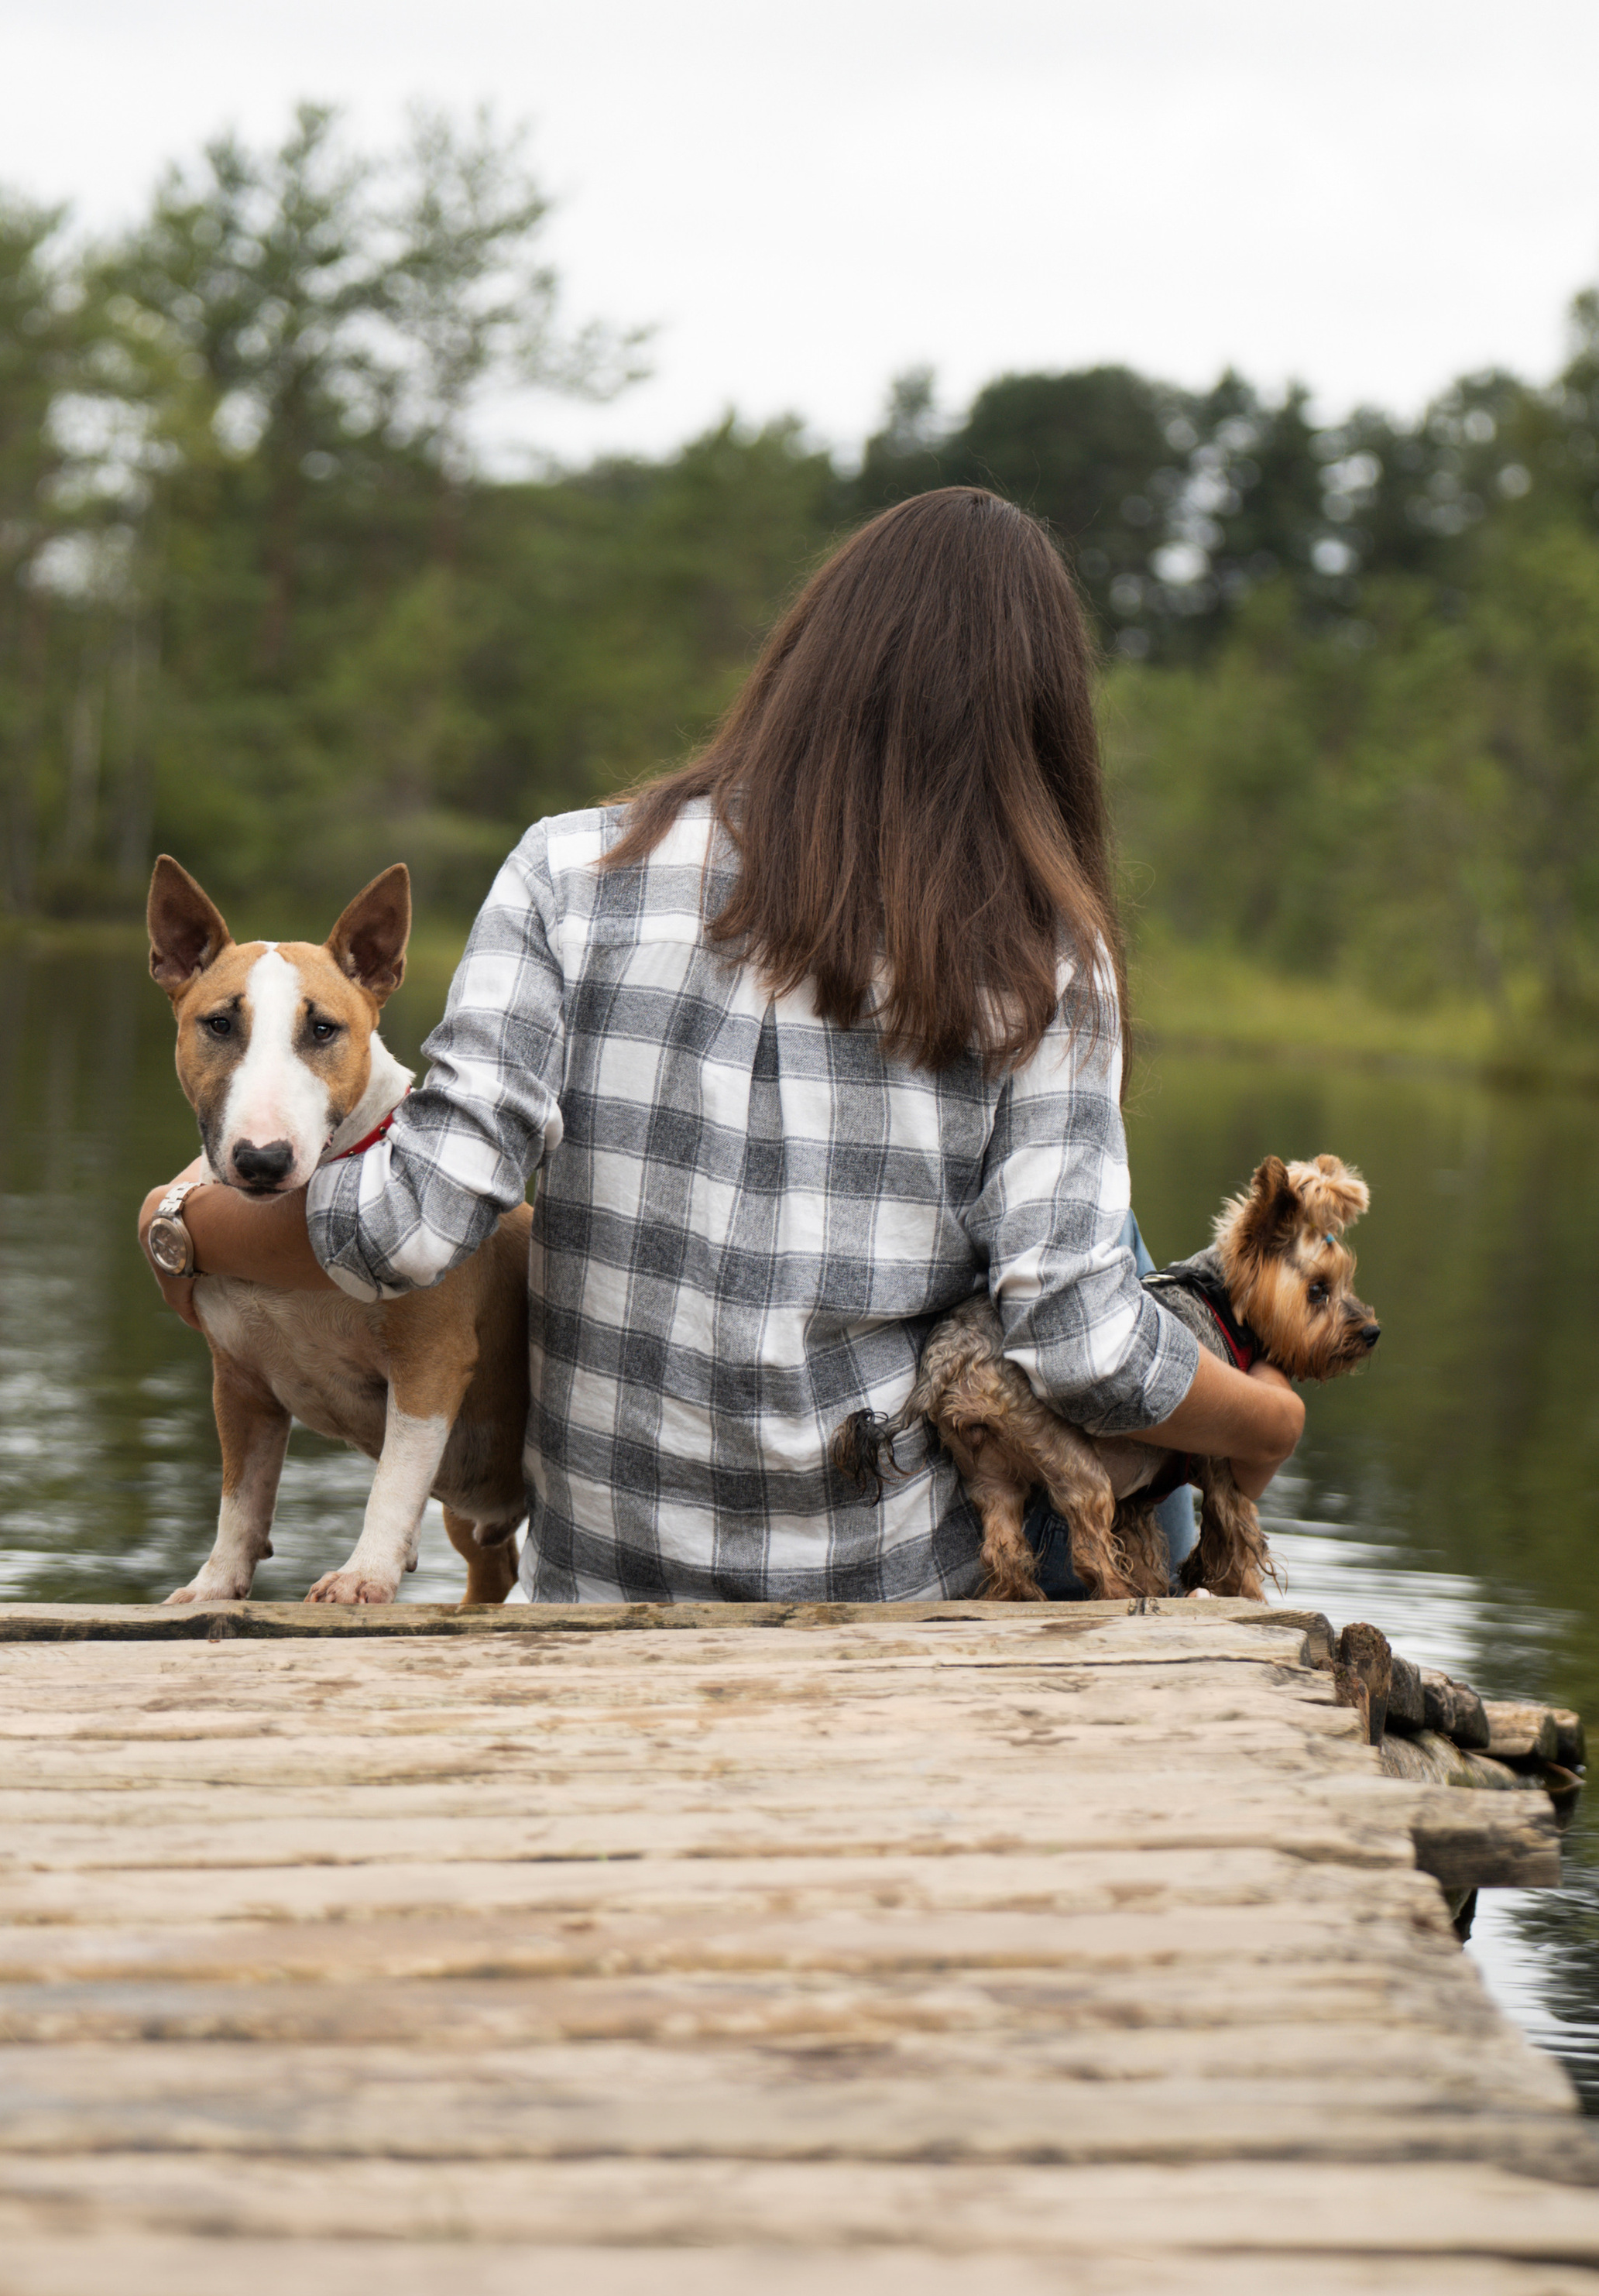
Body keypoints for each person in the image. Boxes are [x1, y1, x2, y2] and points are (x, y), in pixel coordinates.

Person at [140, 486, 1302, 1601]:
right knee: (1115, 1255)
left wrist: (180, 1223)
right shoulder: (1048, 957)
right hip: (887, 1598)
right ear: (1036, 729)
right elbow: (1074, 1336)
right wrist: (1267, 1420)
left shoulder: (565, 874)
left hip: (602, 1582)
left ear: (803, 665)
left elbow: (411, 1222)